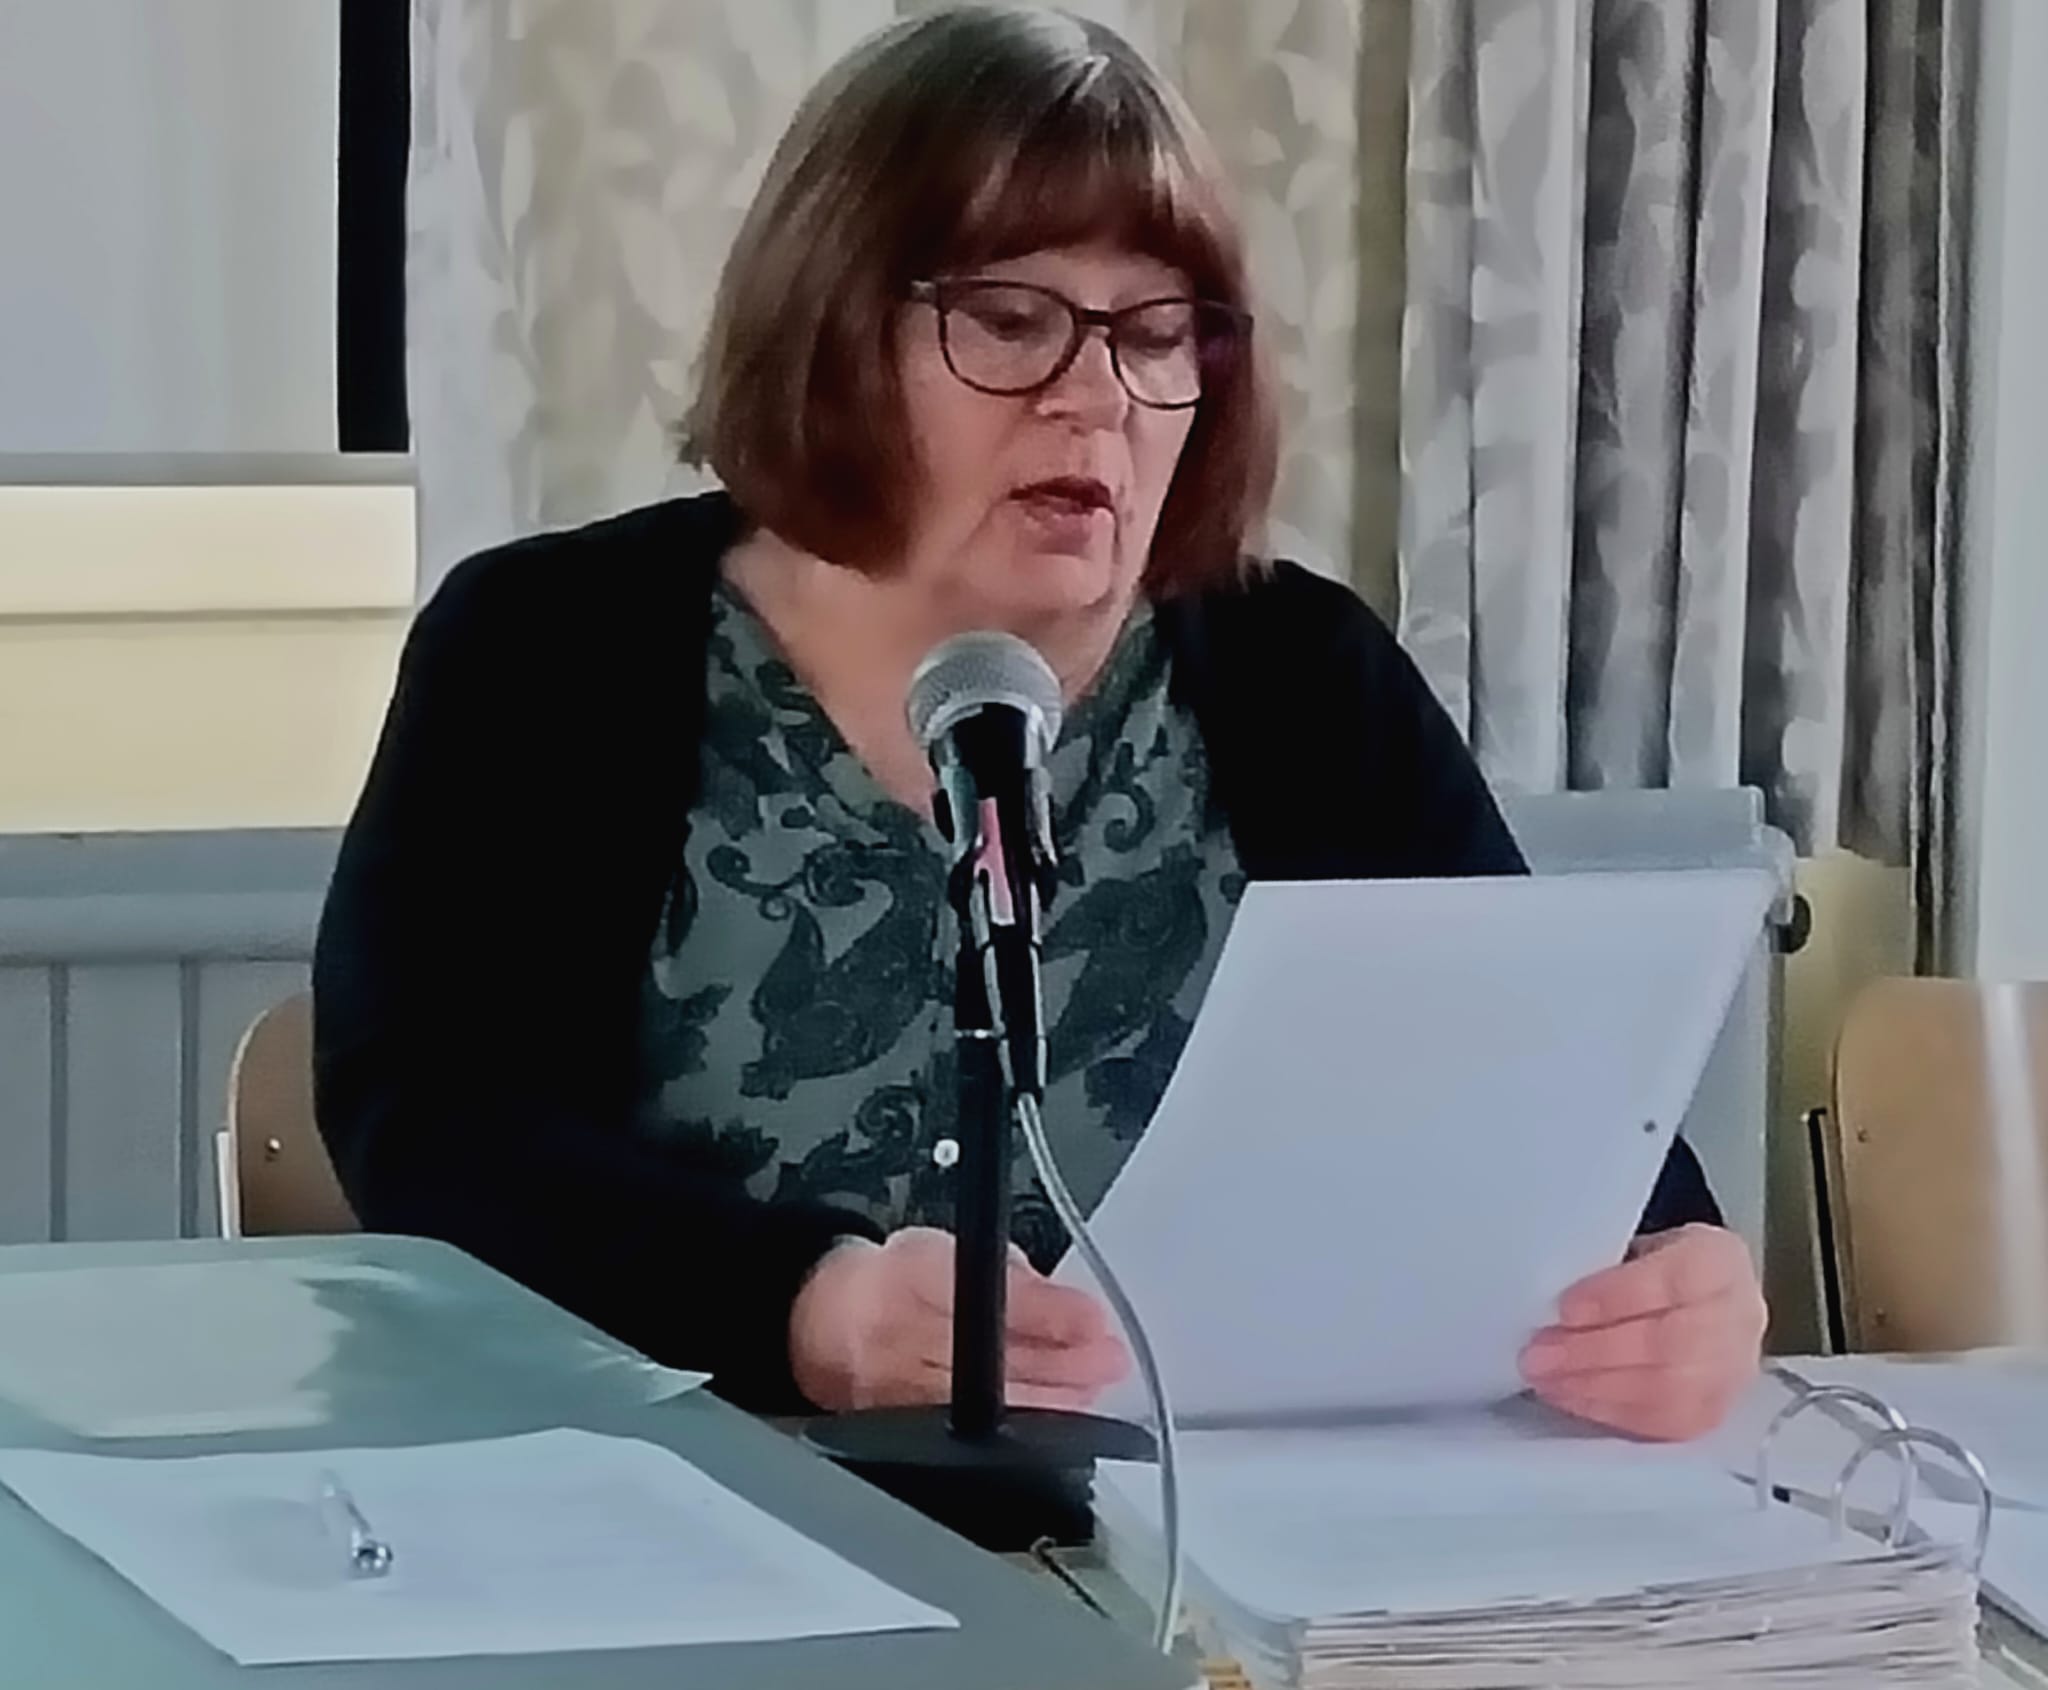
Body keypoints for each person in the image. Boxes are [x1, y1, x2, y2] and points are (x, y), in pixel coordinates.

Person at [313, 4, 1765, 1443]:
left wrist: (1673, 1278)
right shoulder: (549, 647)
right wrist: (800, 1305)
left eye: (1158, 335)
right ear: (830, 327)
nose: (1095, 399)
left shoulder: (1303, 674)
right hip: (691, 1491)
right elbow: (431, 1126)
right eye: (1012, 322)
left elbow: (1543, 1105)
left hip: (1204, 1516)